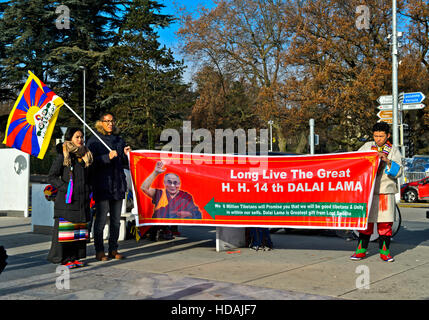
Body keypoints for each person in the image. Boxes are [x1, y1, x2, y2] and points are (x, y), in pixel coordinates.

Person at [350, 121, 402, 262]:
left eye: (381, 136)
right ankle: (361, 250)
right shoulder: (367, 147)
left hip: (385, 192)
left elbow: (399, 172)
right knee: (366, 223)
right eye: (375, 136)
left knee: (385, 224)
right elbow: (355, 161)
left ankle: (385, 252)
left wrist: (388, 161)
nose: (378, 139)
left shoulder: (393, 150)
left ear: (388, 136)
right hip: (368, 191)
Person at [86, 113, 131, 261]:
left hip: (118, 185)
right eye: (107, 121)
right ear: (101, 123)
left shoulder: (119, 139)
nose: (110, 124)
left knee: (116, 221)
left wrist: (125, 154)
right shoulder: (94, 141)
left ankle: (113, 249)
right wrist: (106, 157)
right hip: (102, 185)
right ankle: (99, 250)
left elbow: (124, 162)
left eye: (112, 121)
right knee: (100, 221)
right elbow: (89, 162)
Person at [47, 128, 93, 269]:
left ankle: (74, 258)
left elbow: (90, 177)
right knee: (66, 232)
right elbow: (52, 176)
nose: (80, 140)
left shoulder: (86, 156)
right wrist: (65, 187)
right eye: (77, 137)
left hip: (82, 200)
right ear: (69, 139)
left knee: (77, 232)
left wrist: (89, 189)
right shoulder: (63, 155)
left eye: (81, 137)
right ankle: (64, 259)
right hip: (67, 201)